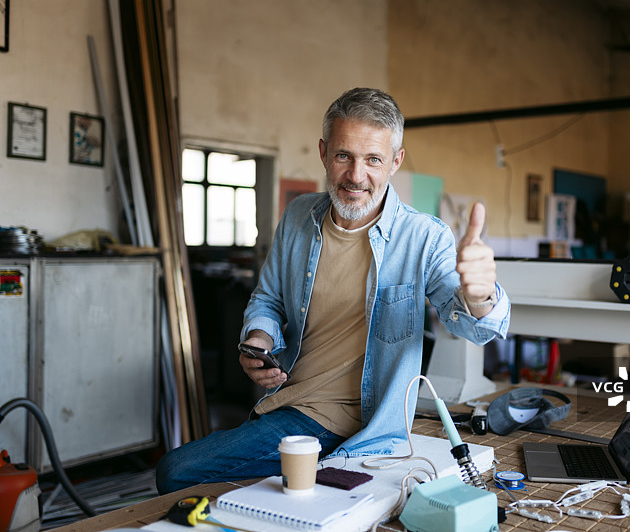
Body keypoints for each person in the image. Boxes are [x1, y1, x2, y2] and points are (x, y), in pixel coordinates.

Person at [156, 87, 510, 494]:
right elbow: (268, 298)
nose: (356, 176)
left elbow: (476, 328)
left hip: (358, 429)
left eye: (373, 159)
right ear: (324, 153)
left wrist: (480, 296)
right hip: (283, 404)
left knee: (176, 470)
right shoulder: (297, 216)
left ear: (396, 161)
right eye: (344, 156)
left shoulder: (425, 238)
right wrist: (258, 337)